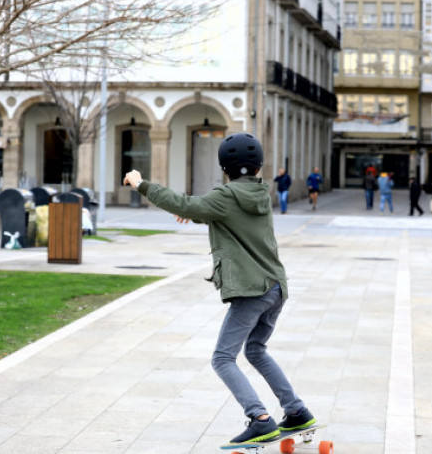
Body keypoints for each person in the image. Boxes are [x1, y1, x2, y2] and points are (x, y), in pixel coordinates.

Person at [123, 133, 315, 445]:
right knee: (255, 350)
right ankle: (296, 412)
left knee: (222, 358)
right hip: (276, 287)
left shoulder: (226, 196)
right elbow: (224, 217)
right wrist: (195, 214)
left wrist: (140, 182)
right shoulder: (261, 194)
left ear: (224, 165)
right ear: (257, 166)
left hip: (252, 290)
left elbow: (187, 203)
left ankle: (260, 419)